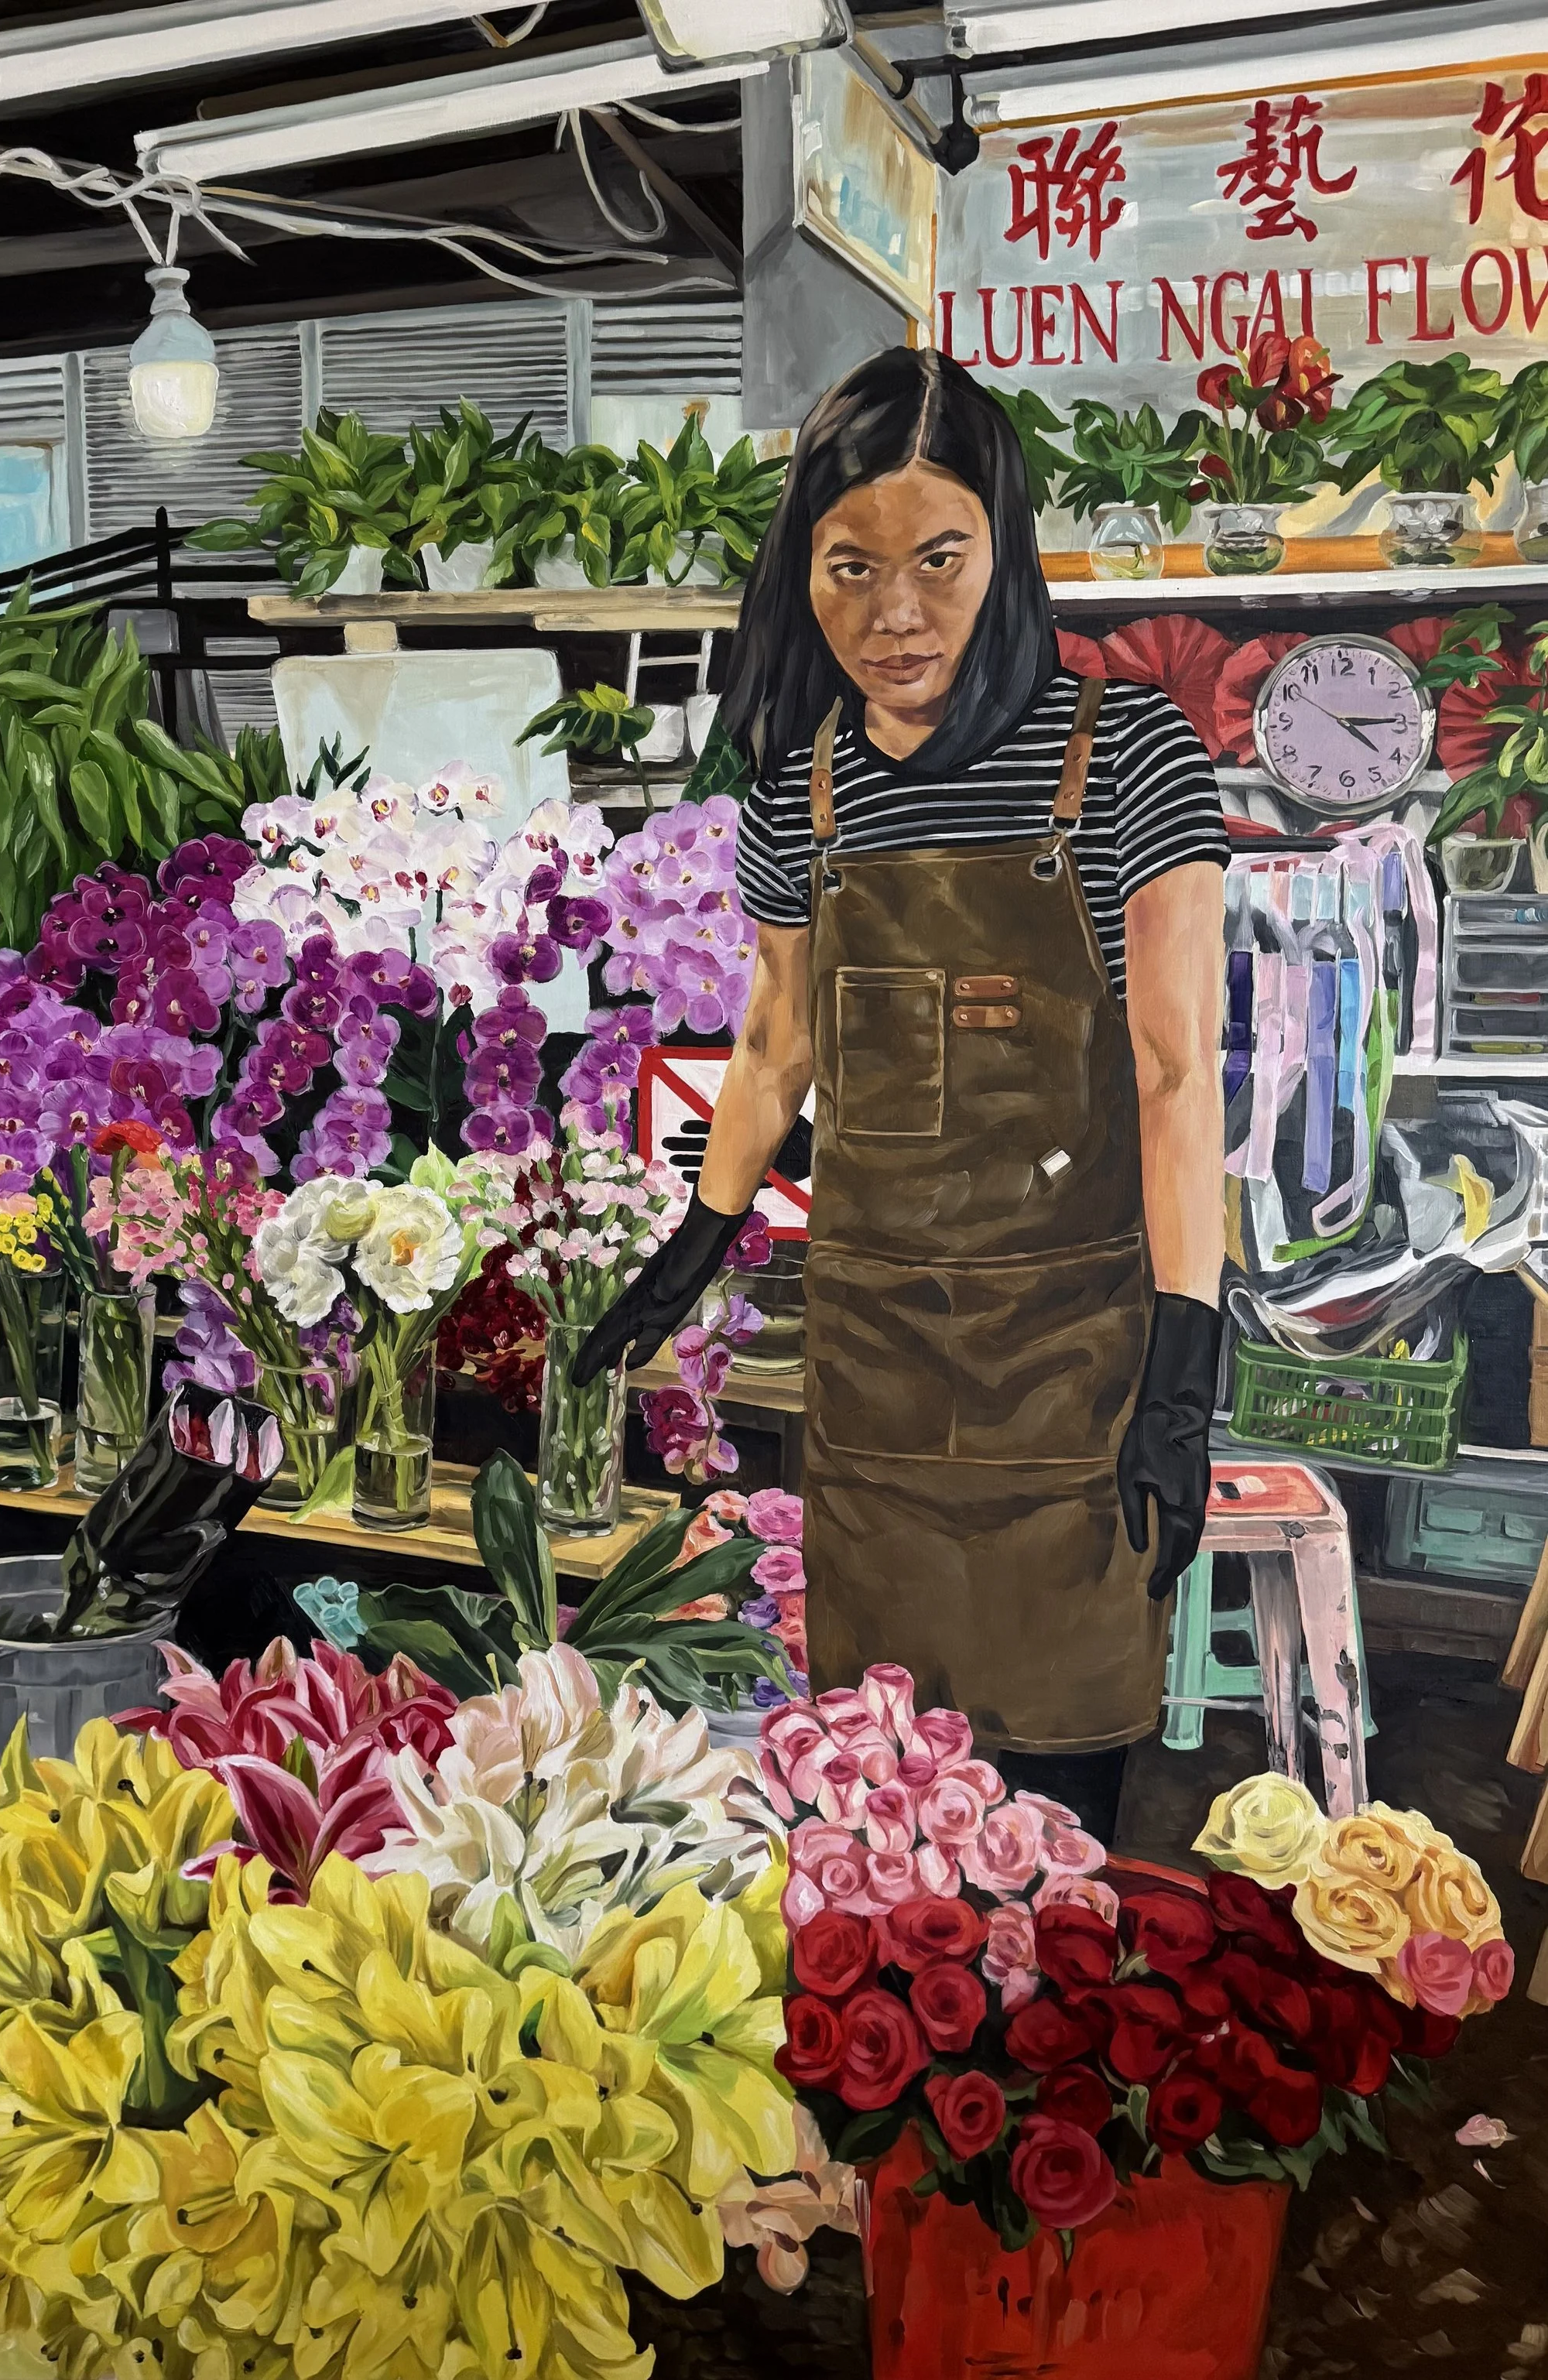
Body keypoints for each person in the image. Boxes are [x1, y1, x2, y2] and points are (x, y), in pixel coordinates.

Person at [575, 348, 1228, 1840]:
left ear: (1003, 549)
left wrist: (1185, 1367)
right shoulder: (799, 790)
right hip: (874, 1356)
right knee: (881, 1790)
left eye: (940, 559)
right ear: (801, 574)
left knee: (1055, 1816)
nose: (896, 615)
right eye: (850, 568)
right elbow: (774, 1047)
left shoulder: (1128, 758)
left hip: (1071, 1367)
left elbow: (1179, 1073)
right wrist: (692, 1249)